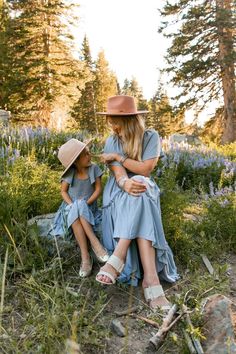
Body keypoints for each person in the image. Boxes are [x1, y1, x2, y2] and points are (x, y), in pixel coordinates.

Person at [95, 95, 179, 311]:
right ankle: (151, 281)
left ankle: (118, 257)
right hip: (119, 191)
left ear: (130, 121)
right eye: (110, 121)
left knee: (141, 184)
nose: (112, 126)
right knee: (139, 191)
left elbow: (145, 169)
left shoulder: (150, 137)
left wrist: (119, 157)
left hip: (143, 188)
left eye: (116, 121)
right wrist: (125, 182)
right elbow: (119, 175)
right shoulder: (111, 140)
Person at [50, 138, 109, 277]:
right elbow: (63, 191)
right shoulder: (71, 173)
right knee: (77, 208)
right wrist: (72, 205)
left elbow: (98, 190)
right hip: (70, 208)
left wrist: (85, 203)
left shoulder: (94, 169)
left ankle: (89, 253)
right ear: (76, 161)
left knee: (80, 206)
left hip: (89, 206)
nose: (89, 156)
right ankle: (90, 252)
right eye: (85, 154)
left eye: (89, 153)